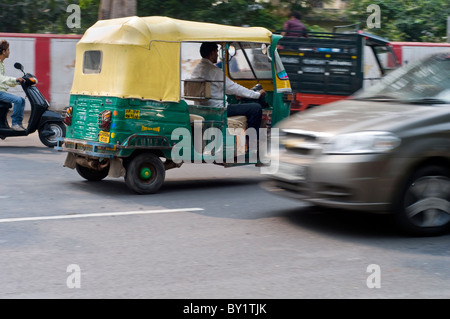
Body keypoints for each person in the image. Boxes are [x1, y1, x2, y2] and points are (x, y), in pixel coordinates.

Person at [191, 42, 265, 137]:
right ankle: (251, 143)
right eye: (217, 52)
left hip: (202, 109)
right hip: (218, 110)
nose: (218, 55)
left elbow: (218, 88)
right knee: (256, 108)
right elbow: (233, 87)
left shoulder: (197, 69)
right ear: (212, 53)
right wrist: (257, 94)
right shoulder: (213, 70)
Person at [0, 40, 26, 131]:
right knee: (18, 100)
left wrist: (18, 81)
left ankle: (18, 123)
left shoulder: (1, 64)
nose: (9, 52)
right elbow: (1, 78)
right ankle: (15, 124)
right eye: (8, 50)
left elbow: (4, 81)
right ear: (3, 51)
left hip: (2, 91)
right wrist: (15, 79)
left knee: (22, 100)